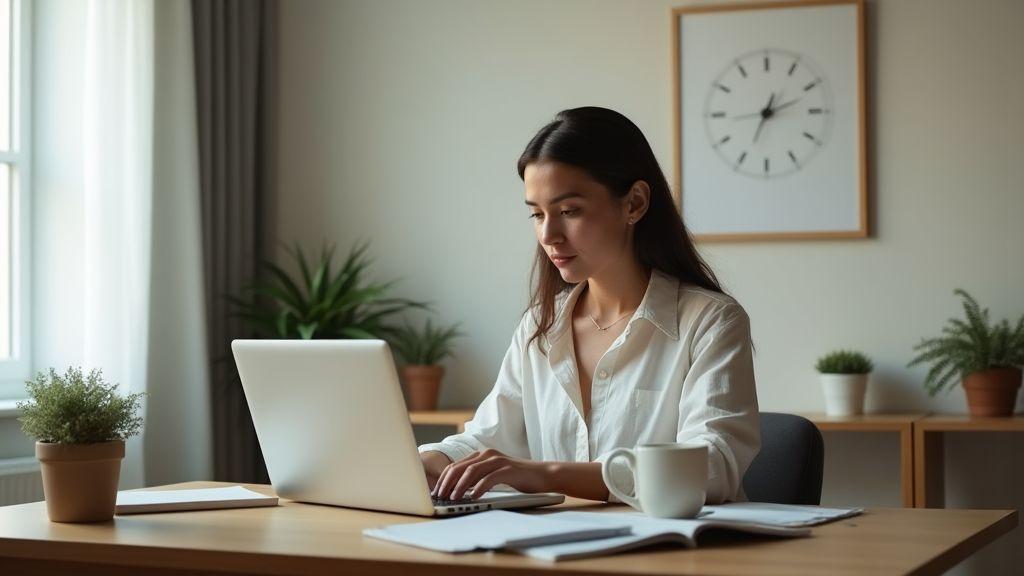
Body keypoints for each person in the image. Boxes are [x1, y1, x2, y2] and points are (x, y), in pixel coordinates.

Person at [419, 106, 760, 505]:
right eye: (536, 214)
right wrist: (429, 461)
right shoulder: (539, 328)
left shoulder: (710, 322)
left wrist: (544, 474)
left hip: (677, 558)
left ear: (634, 203)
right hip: (560, 555)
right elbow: (486, 438)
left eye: (569, 211)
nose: (549, 235)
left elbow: (711, 469)